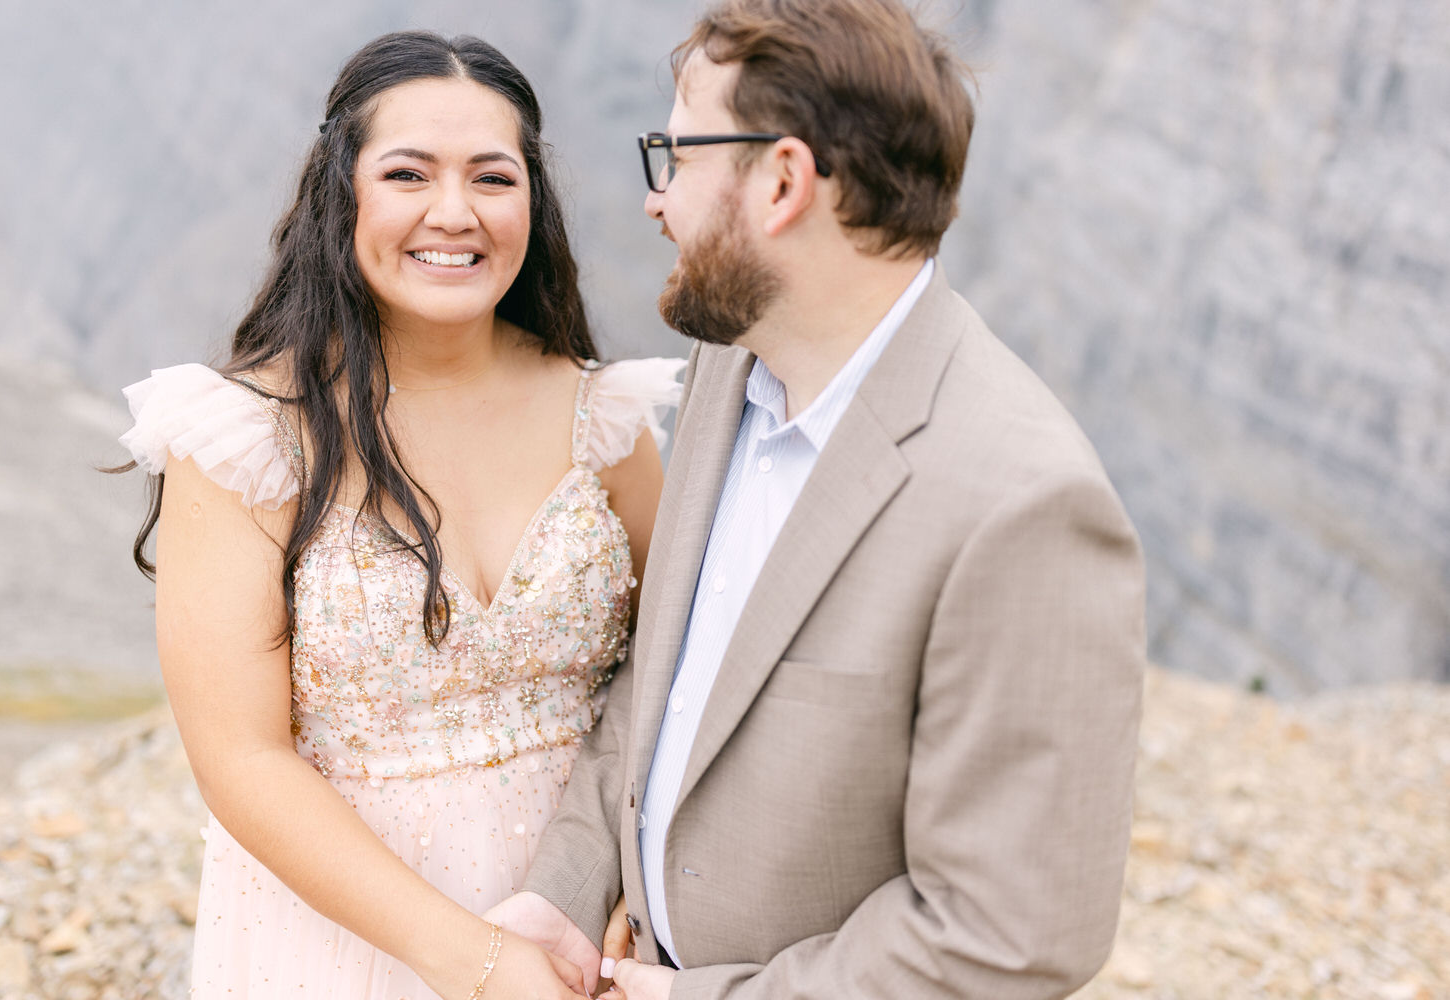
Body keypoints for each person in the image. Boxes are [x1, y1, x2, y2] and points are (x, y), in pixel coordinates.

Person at [485, 1, 1148, 997]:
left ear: (784, 180)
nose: (656, 202)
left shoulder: (1025, 506)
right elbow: (663, 687)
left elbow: (1008, 932)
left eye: (677, 152)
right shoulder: (728, 359)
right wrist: (561, 895)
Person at [115, 30, 683, 1000]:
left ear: (533, 202)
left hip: (586, 930)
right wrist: (478, 962)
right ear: (344, 191)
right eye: (409, 173)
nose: (454, 213)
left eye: (493, 178)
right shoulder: (245, 440)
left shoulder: (608, 421)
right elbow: (242, 757)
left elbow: (673, 670)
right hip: (343, 940)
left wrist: (631, 883)